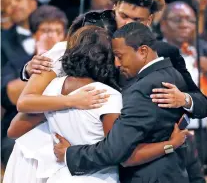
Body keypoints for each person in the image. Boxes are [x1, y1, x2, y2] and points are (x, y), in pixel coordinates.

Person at [3, 25, 188, 183]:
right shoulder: (107, 95)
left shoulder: (51, 90)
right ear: (107, 58)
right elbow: (123, 157)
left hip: (61, 176)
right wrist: (171, 144)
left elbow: (14, 129)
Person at [19, 0, 207, 119]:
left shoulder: (164, 52)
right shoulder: (89, 42)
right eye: (123, 16)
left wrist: (183, 99)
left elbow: (201, 103)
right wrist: (28, 70)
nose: (127, 24)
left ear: (150, 20)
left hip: (138, 147)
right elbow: (41, 84)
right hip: (84, 137)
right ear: (114, 8)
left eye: (137, 20)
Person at [55, 22, 191, 183]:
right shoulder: (172, 74)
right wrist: (171, 145)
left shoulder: (143, 89)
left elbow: (116, 151)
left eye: (120, 56)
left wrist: (69, 154)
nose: (117, 64)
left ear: (143, 51)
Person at [1, 5, 68, 166]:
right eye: (45, 31)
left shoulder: (72, 65)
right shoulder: (19, 63)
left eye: (57, 31)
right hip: (20, 130)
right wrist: (35, 68)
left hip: (60, 129)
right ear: (34, 35)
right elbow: (8, 94)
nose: (51, 36)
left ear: (65, 36)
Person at [1, 0, 37, 67]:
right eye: (7, 4)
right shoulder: (2, 41)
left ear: (33, 3)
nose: (13, 4)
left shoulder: (57, 31)